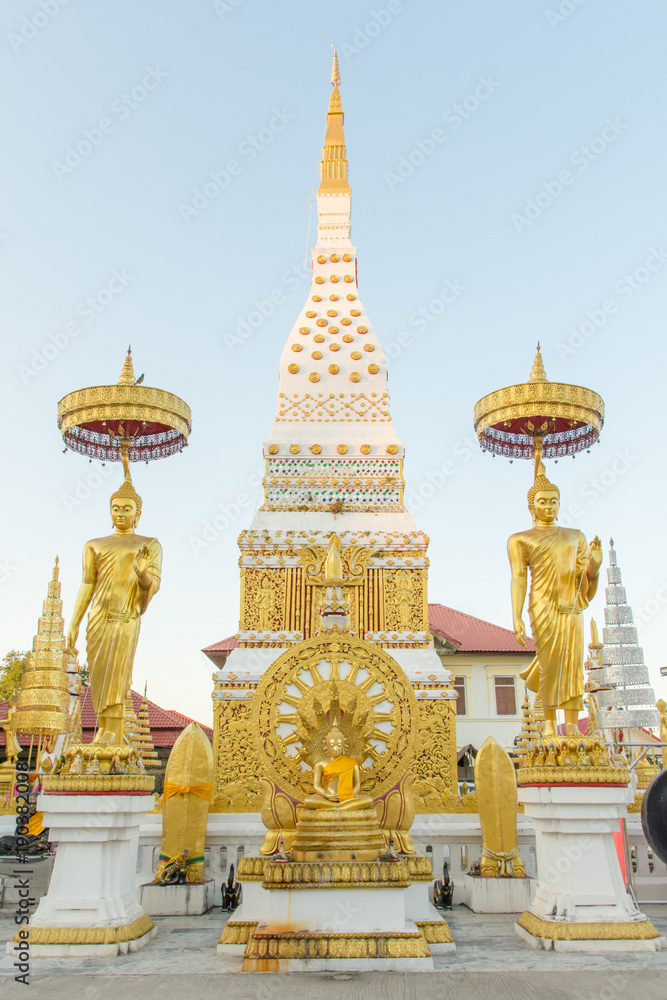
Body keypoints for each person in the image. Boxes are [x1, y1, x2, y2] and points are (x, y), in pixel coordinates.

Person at [67, 474, 161, 744]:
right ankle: (104, 728)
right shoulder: (94, 544)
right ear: (110, 511)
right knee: (97, 671)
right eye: (116, 508)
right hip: (98, 615)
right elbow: (87, 584)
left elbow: (152, 585)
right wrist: (74, 621)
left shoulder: (149, 544)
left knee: (117, 672)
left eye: (127, 509)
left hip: (125, 615)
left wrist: (142, 573)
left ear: (138, 513)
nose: (121, 513)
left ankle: (113, 731)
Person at [508, 475, 601, 737]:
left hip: (571, 604)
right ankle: (549, 721)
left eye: (553, 502)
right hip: (542, 604)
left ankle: (571, 722)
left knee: (571, 661)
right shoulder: (520, 539)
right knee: (550, 663)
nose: (548, 507)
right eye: (542, 502)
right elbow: (518, 577)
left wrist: (595, 564)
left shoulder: (576, 537)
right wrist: (516, 615)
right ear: (531, 507)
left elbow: (584, 576)